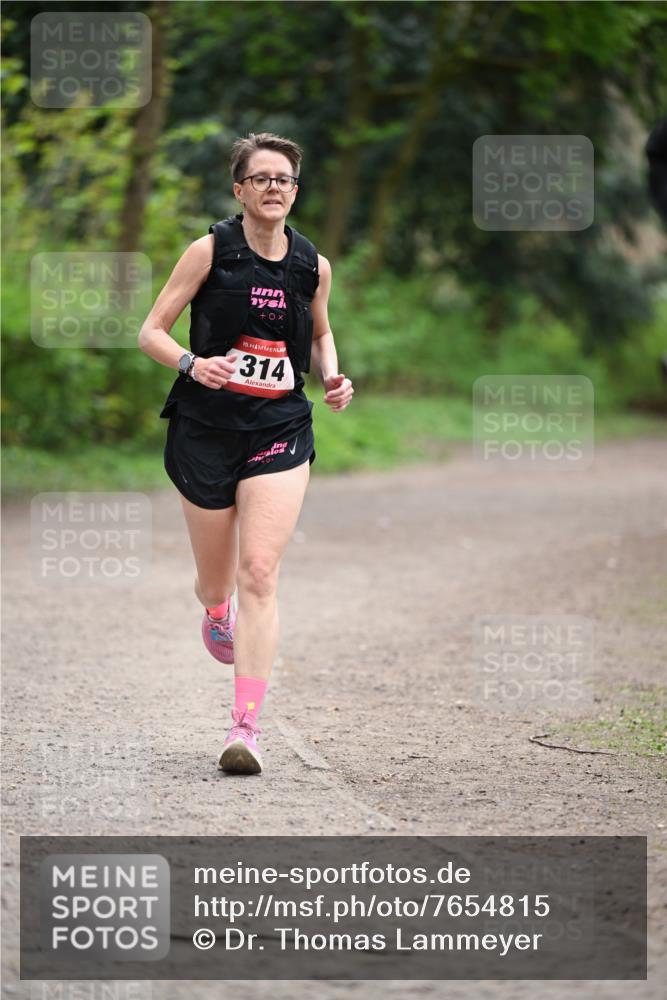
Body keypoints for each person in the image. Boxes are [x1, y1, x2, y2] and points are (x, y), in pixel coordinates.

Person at [138, 132, 354, 775]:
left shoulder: (312, 264)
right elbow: (150, 331)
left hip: (279, 425)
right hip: (205, 427)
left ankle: (245, 730)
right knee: (217, 579)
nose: (273, 188)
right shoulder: (209, 251)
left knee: (259, 571)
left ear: (295, 190)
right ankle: (213, 610)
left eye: (284, 179)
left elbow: (320, 330)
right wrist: (190, 363)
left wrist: (334, 373)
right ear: (239, 189)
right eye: (260, 178)